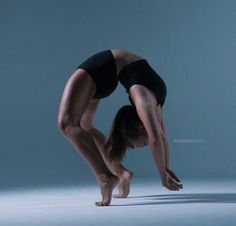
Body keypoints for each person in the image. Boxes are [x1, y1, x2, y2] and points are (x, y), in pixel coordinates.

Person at [57, 49, 183, 207]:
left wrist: (165, 169)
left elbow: (159, 137)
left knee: (73, 124)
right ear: (141, 127)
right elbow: (156, 138)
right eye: (140, 144)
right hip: (100, 68)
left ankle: (110, 176)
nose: (141, 146)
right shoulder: (144, 101)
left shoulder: (148, 102)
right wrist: (163, 173)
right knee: (76, 125)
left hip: (107, 74)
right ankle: (114, 175)